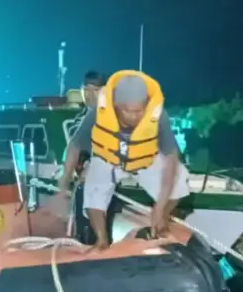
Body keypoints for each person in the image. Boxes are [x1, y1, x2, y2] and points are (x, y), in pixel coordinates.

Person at [59, 70, 190, 250]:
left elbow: (171, 155)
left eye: (139, 111)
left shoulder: (158, 114)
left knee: (180, 179)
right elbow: (75, 145)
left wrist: (159, 209)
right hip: (108, 156)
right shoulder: (98, 112)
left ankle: (161, 224)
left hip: (142, 156)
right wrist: (65, 177)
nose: (135, 116)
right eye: (128, 111)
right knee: (93, 192)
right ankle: (101, 241)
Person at [59, 71, 108, 243]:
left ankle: (92, 246)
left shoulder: (97, 112)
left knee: (89, 226)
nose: (90, 95)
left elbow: (74, 145)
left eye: (95, 90)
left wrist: (64, 178)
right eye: (86, 90)